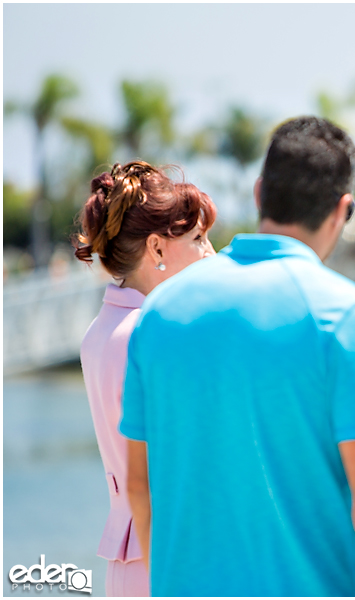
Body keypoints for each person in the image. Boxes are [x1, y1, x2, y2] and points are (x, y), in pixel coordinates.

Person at [119, 116, 355, 596]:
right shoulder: (350, 316)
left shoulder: (160, 311)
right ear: (342, 209)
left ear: (258, 192)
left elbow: (140, 490)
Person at [74, 161, 217, 596]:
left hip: (126, 561)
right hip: (172, 557)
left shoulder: (98, 332)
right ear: (156, 248)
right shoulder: (154, 335)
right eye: (198, 238)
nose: (210, 253)